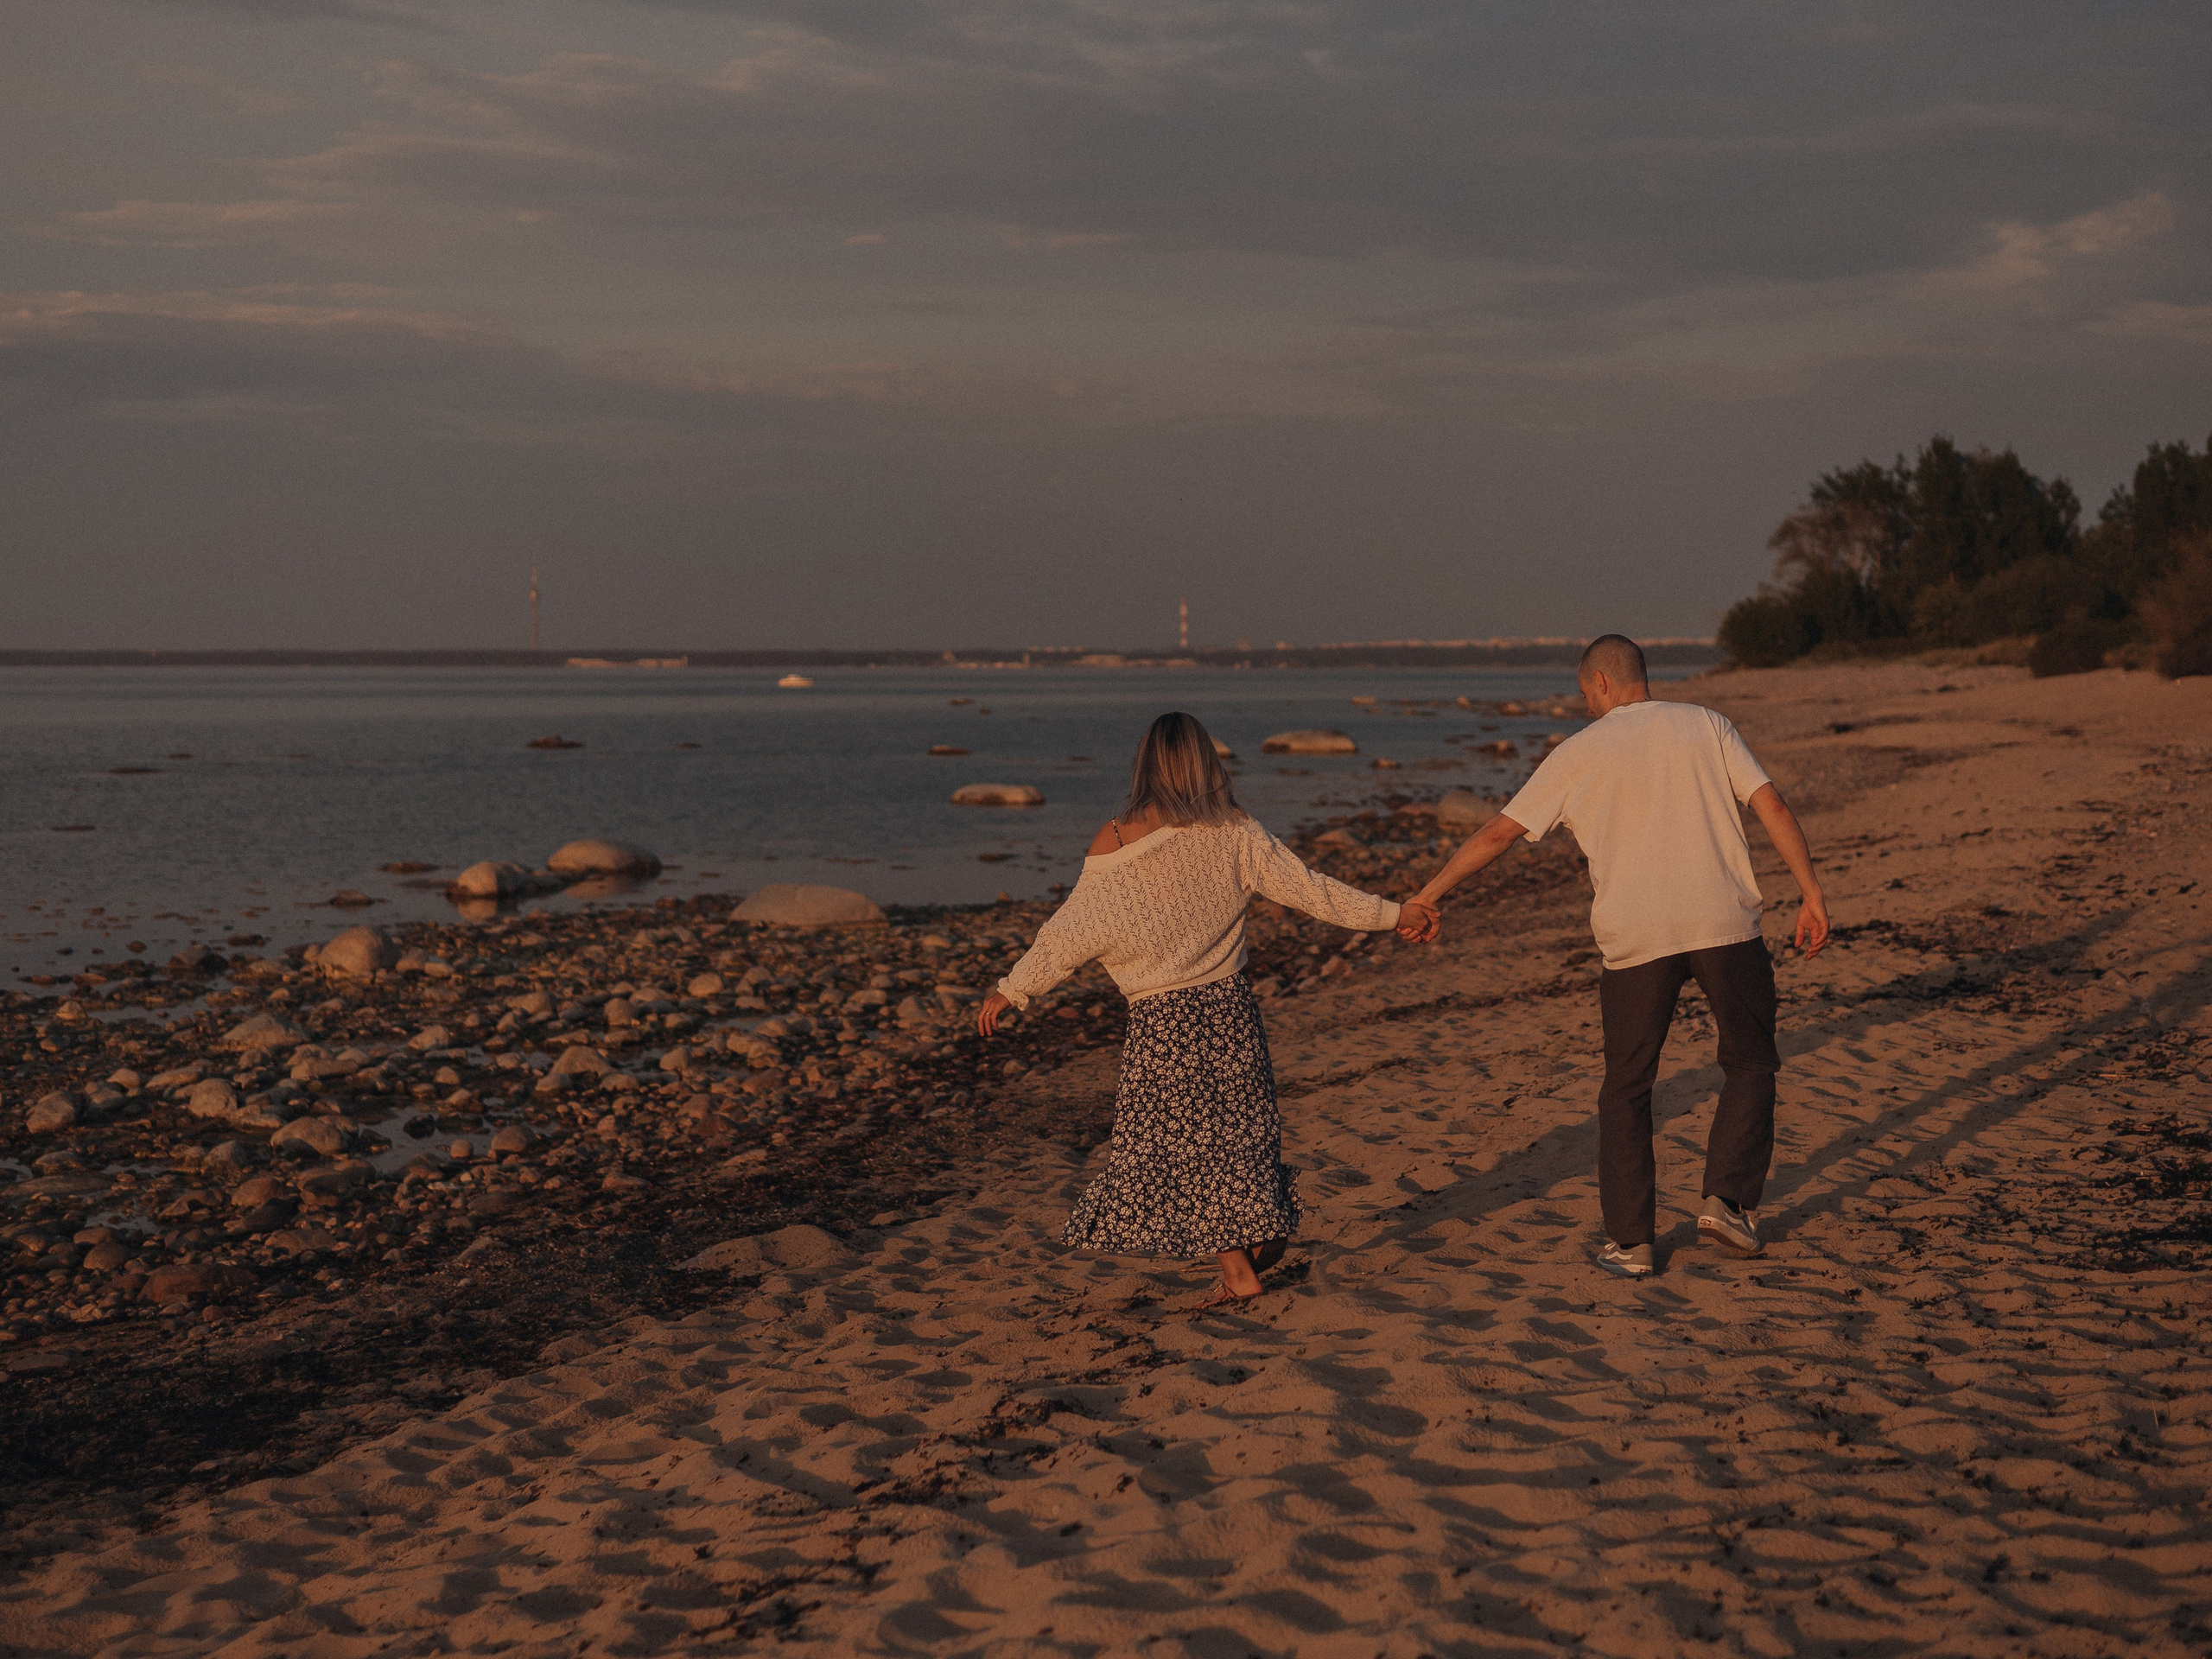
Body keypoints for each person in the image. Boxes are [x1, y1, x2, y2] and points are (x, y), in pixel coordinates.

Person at [1397, 635, 1828, 1277]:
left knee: (1627, 1088)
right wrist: (1811, 893)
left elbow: (1498, 833)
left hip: (1635, 939)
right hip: (1723, 923)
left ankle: (1632, 1244)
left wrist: (1428, 895)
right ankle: (1727, 1202)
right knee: (1750, 1060)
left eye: (1583, 694)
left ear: (1600, 681)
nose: (1586, 706)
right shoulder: (1706, 724)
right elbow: (1772, 804)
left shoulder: (1577, 753)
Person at [976, 711, 1408, 1306]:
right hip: (1230, 1013)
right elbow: (1313, 890)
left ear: (1146, 764)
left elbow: (1070, 931)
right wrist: (1394, 914)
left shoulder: (1117, 838)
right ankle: (1258, 1236)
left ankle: (1239, 1273)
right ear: (1207, 761)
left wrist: (1014, 987)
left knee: (1178, 1152)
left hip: (1162, 1026)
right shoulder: (1233, 829)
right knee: (1240, 1137)